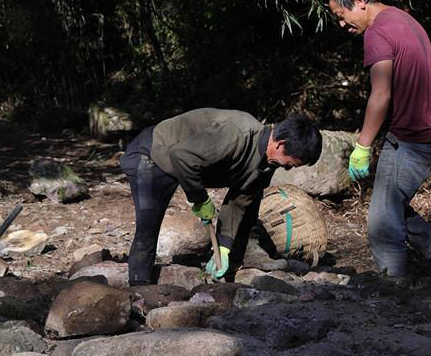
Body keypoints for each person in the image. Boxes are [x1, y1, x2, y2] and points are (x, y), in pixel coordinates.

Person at [327, 0, 431, 278]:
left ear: (360, 3)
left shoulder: (376, 32)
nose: (342, 25)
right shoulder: (404, 19)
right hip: (427, 135)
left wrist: (363, 145)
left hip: (408, 140)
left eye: (342, 16)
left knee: (381, 223)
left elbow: (381, 93)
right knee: (390, 204)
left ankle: (393, 290)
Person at [120, 108, 322, 285]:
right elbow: (181, 156)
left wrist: (224, 246)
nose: (286, 169)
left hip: (184, 160)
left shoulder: (267, 164)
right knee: (148, 225)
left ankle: (233, 263)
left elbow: (239, 203)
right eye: (289, 163)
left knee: (253, 197)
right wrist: (200, 199)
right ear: (280, 144)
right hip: (153, 152)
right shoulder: (236, 134)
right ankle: (139, 288)